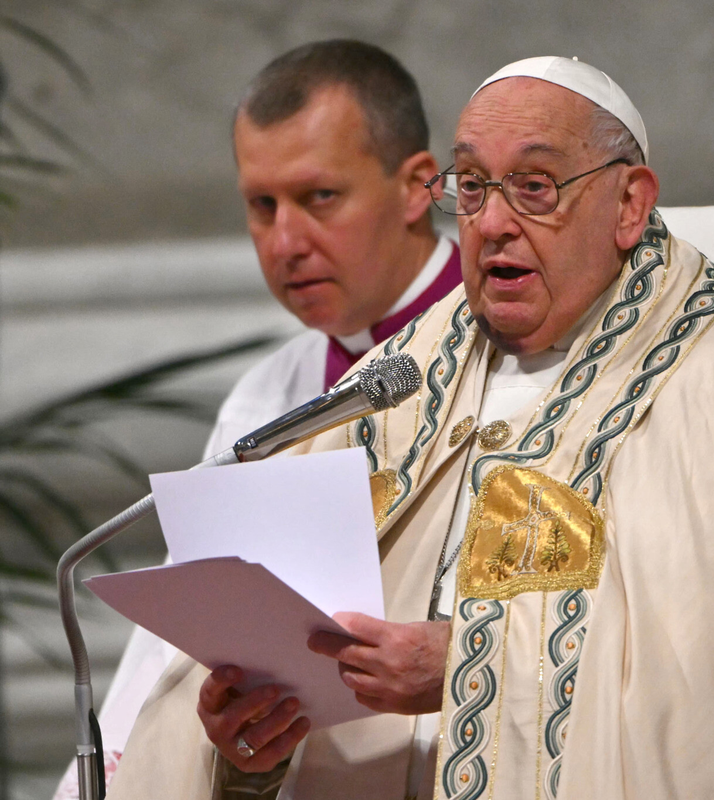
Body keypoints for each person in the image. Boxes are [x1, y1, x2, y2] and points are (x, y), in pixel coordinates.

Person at [108, 57, 714, 800]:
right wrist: (249, 751)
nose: (489, 225)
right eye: (473, 188)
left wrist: (465, 662)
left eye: (536, 186)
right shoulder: (401, 380)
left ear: (629, 204)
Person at [53, 40, 460, 799]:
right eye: (261, 205)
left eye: (319, 198)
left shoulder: (510, 353)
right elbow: (177, 661)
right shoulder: (268, 397)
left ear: (416, 188)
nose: (284, 243)